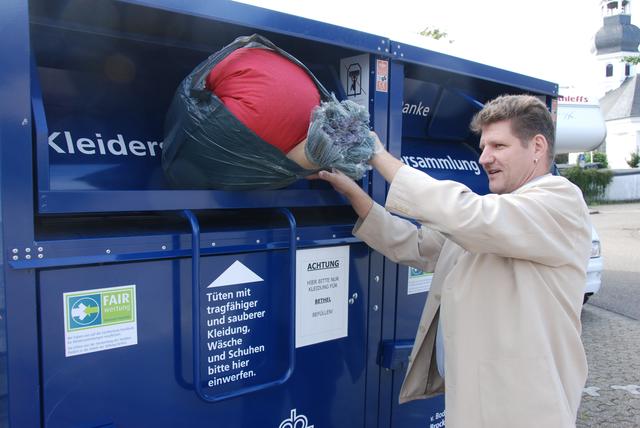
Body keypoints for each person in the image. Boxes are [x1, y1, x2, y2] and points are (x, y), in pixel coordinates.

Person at [316, 95, 591, 427]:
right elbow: (417, 245)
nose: (485, 158)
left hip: (524, 408)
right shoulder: (498, 216)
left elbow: (468, 216)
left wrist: (379, 156)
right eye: (483, 147)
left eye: (498, 146)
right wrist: (352, 193)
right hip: (475, 401)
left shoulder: (559, 202)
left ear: (537, 146)